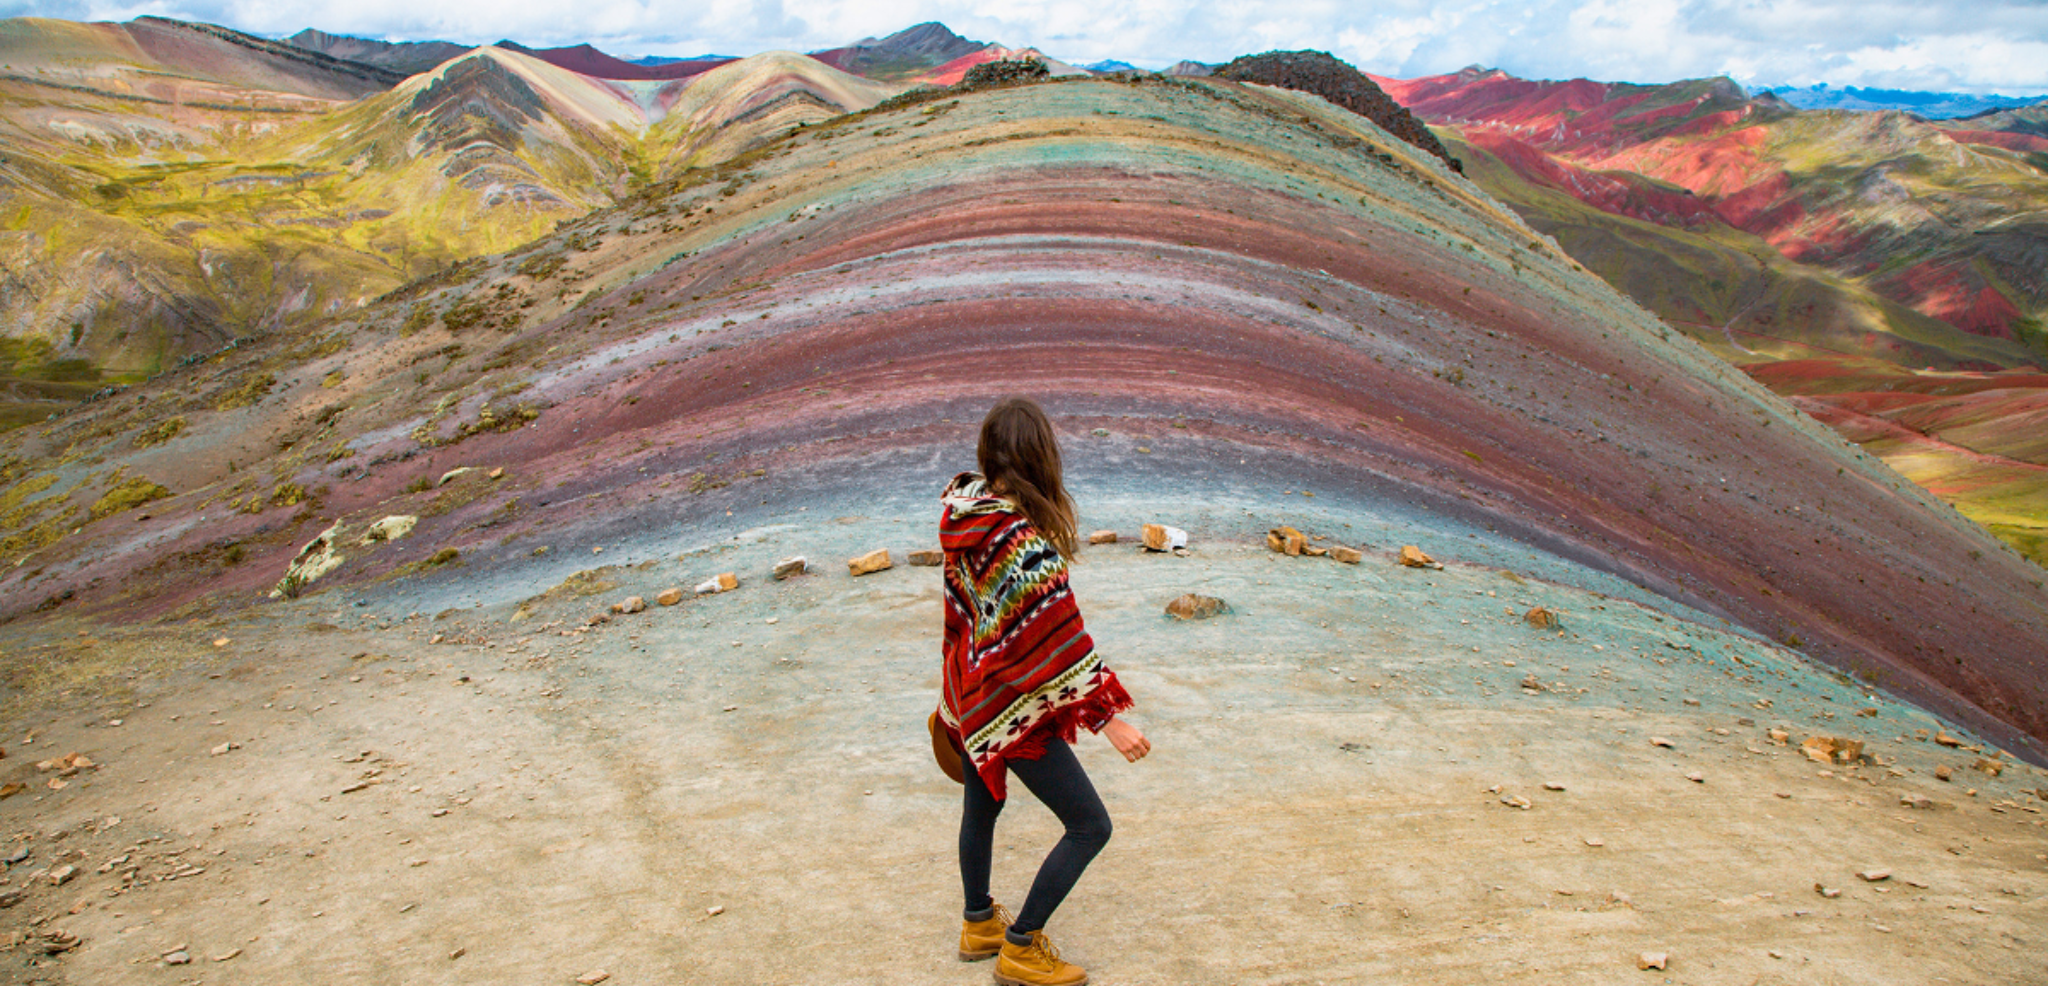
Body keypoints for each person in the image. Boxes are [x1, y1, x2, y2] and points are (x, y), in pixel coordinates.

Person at [936, 396, 1151, 986]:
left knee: (982, 806)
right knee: (1090, 827)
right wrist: (1110, 720)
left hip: (971, 699)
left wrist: (953, 703)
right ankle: (1020, 945)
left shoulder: (965, 516)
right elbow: (1061, 643)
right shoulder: (1023, 546)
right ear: (1039, 458)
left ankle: (977, 921)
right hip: (1011, 711)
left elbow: (962, 619)